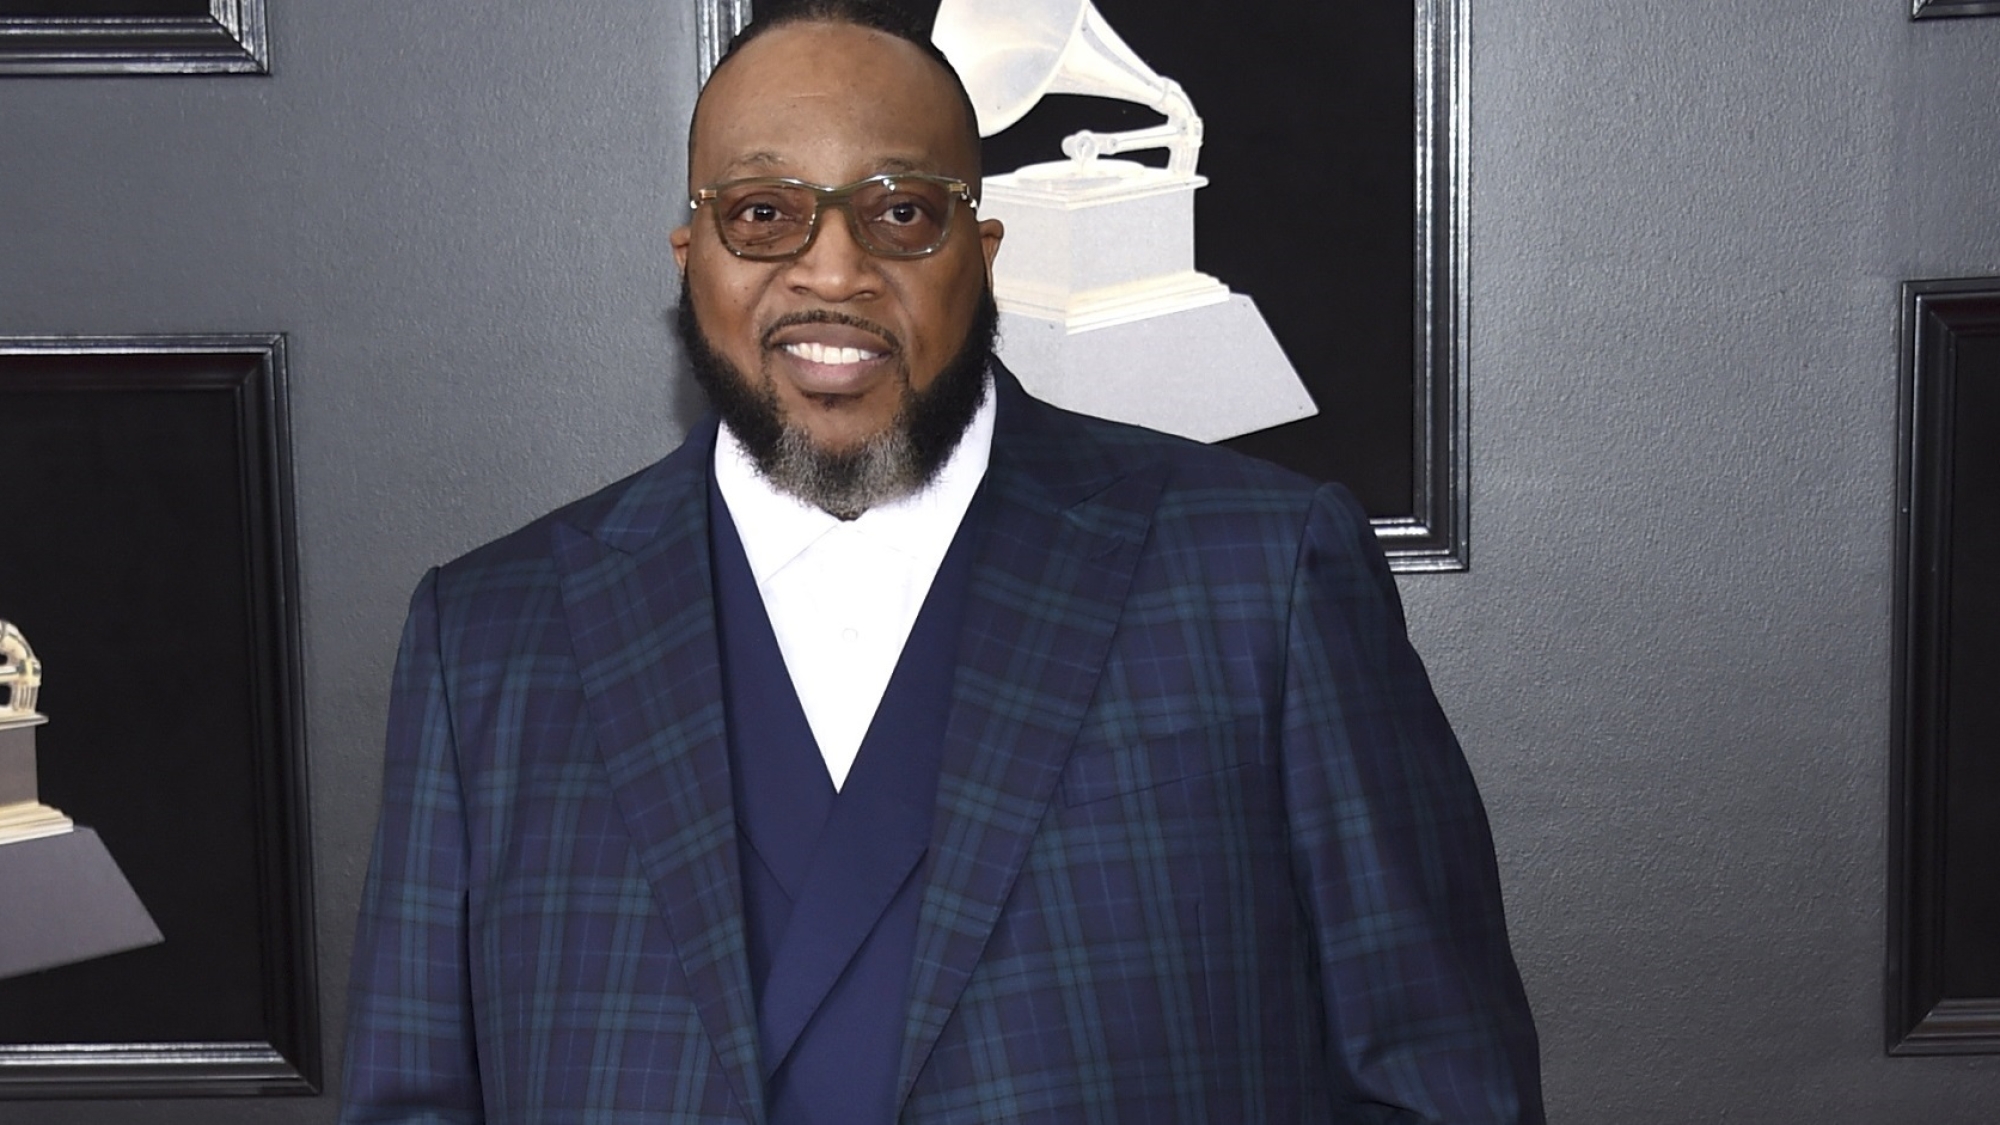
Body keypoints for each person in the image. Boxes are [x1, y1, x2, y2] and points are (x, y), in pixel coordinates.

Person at [339, 2, 1544, 1122]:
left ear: (981, 249)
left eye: (898, 212)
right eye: (762, 214)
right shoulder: (489, 633)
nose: (830, 270)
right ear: (687, 254)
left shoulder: (1258, 575)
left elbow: (1441, 1081)